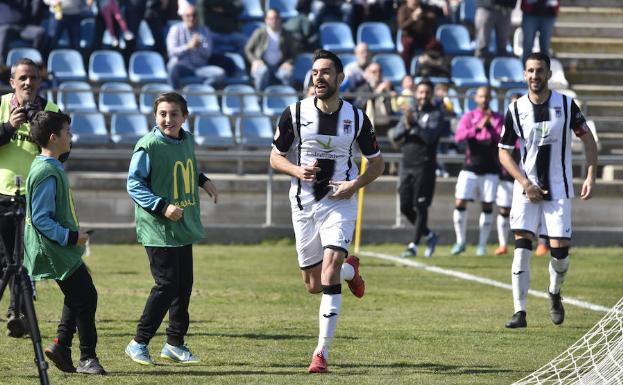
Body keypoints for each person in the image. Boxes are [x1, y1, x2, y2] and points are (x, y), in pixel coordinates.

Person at [270, 49, 384, 373]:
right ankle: (352, 270)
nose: (319, 78)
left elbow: (377, 164)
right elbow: (275, 157)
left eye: (325, 72)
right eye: (315, 72)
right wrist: (296, 171)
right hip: (304, 203)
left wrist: (355, 184)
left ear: (340, 78)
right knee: (313, 284)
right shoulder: (294, 113)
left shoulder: (357, 118)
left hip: (340, 201)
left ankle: (321, 353)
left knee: (329, 270)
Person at [498, 52, 598, 328]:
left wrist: (590, 174)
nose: (534, 76)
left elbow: (588, 141)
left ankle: (554, 292)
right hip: (525, 190)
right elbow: (504, 153)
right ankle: (520, 312)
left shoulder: (566, 105)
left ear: (549, 74)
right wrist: (525, 183)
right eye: (530, 71)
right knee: (522, 247)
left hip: (559, 188)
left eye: (539, 71)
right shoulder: (516, 109)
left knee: (560, 253)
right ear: (524, 75)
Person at [124, 92, 219, 364]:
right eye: (163, 114)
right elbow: (134, 184)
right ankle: (138, 342)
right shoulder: (148, 145)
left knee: (184, 286)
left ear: (185, 117)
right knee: (166, 285)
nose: (168, 119)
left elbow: (186, 167)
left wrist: (204, 180)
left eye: (174, 114)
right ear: (155, 116)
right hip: (158, 227)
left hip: (182, 226)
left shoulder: (187, 139)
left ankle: (175, 343)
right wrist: (162, 206)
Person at [23, 111, 106, 375]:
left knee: (78, 295)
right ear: (53, 137)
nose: (71, 137)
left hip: (58, 248)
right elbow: (41, 219)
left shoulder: (50, 165)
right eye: (67, 133)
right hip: (54, 249)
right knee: (86, 295)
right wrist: (71, 237)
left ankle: (62, 346)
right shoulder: (47, 170)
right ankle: (87, 358)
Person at [0, 58, 60, 338]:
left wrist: (40, 130)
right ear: (12, 82)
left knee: (22, 259)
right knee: (4, 259)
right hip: (2, 193)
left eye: (33, 78)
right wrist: (8, 128)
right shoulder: (1, 106)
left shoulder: (51, 110)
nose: (28, 83)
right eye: (22, 78)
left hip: (34, 197)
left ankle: (17, 313)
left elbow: (64, 152)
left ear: (40, 81)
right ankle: (16, 312)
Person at [389, 79, 447, 258]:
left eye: (426, 92)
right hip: (407, 164)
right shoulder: (410, 112)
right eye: (420, 92)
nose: (423, 96)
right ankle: (430, 235)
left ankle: (413, 245)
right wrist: (407, 124)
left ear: (431, 94)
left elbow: (429, 137)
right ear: (416, 93)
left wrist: (413, 124)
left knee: (420, 206)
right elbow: (395, 136)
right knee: (405, 206)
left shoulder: (437, 113)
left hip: (425, 165)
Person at [452, 86, 503, 256]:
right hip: (471, 166)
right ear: (476, 98)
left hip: (490, 168)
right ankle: (460, 241)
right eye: (481, 96)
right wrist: (478, 128)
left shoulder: (498, 118)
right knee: (460, 202)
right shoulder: (469, 117)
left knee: (487, 204)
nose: (485, 99)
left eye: (487, 96)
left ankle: (482, 244)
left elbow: (503, 140)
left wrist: (490, 128)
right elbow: (459, 137)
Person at [166, 3, 227, 90]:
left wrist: (199, 47)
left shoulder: (204, 30)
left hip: (200, 67)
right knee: (172, 69)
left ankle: (200, 92)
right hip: (183, 66)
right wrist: (188, 47)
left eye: (194, 15)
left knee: (220, 74)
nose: (191, 18)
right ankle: (176, 97)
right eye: (188, 16)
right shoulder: (175, 29)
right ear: (183, 17)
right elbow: (171, 52)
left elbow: (207, 54)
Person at [495, 92, 522, 256]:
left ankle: (542, 244)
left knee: (533, 210)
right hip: (507, 173)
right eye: (513, 104)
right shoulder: (505, 123)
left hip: (527, 174)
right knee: (504, 209)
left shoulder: (531, 122)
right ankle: (503, 244)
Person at [244, 8, 296, 91]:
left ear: (280, 19)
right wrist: (254, 61)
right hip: (263, 64)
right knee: (262, 72)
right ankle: (259, 98)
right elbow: (247, 49)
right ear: (266, 20)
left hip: (279, 66)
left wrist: (288, 62)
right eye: (271, 18)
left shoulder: (287, 34)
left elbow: (294, 53)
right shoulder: (259, 32)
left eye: (276, 18)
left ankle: (288, 100)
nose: (274, 21)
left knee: (287, 74)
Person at [0, 0, 50, 66]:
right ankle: (1, 65)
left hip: (24, 27)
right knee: (4, 31)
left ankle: (35, 61)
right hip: (7, 26)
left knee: (40, 32)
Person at [354, 62, 396, 132]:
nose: (378, 74)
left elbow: (394, 107)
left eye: (380, 71)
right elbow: (361, 105)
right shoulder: (363, 88)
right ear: (368, 74)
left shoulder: (388, 87)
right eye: (374, 72)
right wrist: (378, 92)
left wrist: (392, 93)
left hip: (388, 126)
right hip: (370, 127)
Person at [397, 0, 438, 70]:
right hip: (409, 36)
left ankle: (435, 67)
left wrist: (423, 15)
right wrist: (413, 19)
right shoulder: (403, 9)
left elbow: (433, 19)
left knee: (436, 44)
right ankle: (405, 69)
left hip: (424, 37)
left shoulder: (425, 8)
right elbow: (402, 26)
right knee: (407, 46)